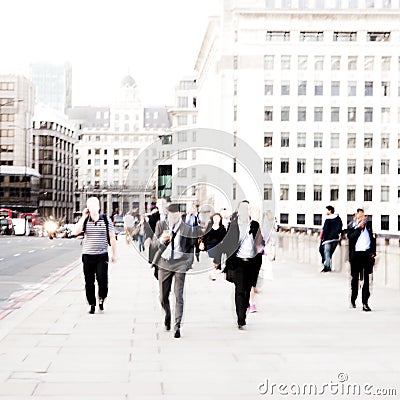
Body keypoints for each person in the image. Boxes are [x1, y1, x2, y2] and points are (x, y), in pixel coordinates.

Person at [153, 203, 196, 338]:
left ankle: (177, 325)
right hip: (164, 263)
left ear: (179, 214)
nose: (172, 217)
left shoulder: (186, 228)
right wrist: (161, 239)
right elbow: (154, 244)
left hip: (180, 263)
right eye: (170, 215)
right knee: (163, 296)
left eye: (175, 215)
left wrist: (188, 263)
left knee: (178, 294)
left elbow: (191, 246)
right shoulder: (161, 225)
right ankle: (167, 315)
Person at [223, 200, 264, 330]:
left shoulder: (255, 225)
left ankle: (244, 313)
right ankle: (240, 318)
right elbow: (227, 243)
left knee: (247, 290)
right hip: (238, 262)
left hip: (252, 263)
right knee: (239, 290)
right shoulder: (233, 225)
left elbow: (260, 243)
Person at [74, 197, 117, 314]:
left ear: (99, 207)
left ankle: (102, 298)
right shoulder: (85, 220)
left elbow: (112, 237)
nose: (93, 207)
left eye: (95, 205)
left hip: (102, 255)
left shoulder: (106, 220)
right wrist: (83, 216)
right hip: (87, 256)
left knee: (102, 280)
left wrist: (114, 254)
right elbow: (75, 232)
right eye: (90, 205)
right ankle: (92, 304)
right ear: (88, 207)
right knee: (89, 282)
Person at [347, 209, 376, 311]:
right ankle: (353, 298)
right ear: (355, 218)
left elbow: (373, 239)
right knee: (355, 279)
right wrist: (359, 229)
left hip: (366, 255)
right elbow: (350, 237)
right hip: (356, 256)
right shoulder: (351, 226)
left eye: (362, 217)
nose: (361, 219)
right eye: (358, 217)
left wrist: (373, 253)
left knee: (367, 279)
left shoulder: (369, 226)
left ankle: (365, 302)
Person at [200, 213, 227, 280]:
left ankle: (212, 272)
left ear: (220, 219)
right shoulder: (209, 226)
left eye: (218, 218)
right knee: (212, 260)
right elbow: (205, 235)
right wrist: (202, 243)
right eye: (215, 218)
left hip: (219, 247)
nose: (216, 220)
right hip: (210, 245)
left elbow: (225, 237)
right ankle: (213, 274)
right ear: (212, 219)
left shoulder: (222, 227)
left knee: (216, 262)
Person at [320, 205, 343, 272]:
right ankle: (327, 265)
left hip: (328, 239)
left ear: (330, 211)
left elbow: (325, 230)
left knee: (326, 252)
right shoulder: (338, 219)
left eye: (327, 210)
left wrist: (323, 238)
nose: (326, 211)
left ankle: (327, 267)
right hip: (335, 239)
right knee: (330, 253)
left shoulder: (328, 219)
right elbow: (340, 228)